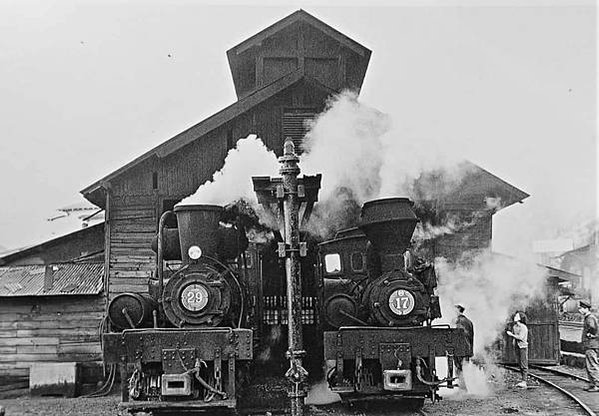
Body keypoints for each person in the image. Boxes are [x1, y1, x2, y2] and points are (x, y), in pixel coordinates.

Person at [578, 300, 599, 392]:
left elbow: (593, 328)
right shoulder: (588, 317)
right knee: (589, 365)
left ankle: (597, 384)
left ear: (586, 309)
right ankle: (592, 383)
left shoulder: (590, 318)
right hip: (589, 345)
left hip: (591, 345)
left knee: (592, 365)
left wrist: (591, 335)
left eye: (581, 308)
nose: (580, 310)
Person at [453, 303, 474, 389]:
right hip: (467, 348)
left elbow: (458, 335)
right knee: (464, 367)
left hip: (459, 348)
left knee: (459, 368)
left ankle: (462, 388)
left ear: (457, 310)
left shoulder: (458, 321)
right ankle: (464, 387)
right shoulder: (469, 321)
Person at [506, 311, 528, 388]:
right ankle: (522, 380)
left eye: (516, 316)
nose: (515, 317)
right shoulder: (514, 327)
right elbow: (515, 337)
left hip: (522, 346)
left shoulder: (523, 327)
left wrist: (511, 335)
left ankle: (524, 381)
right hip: (517, 346)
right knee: (519, 363)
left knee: (523, 364)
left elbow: (521, 337)